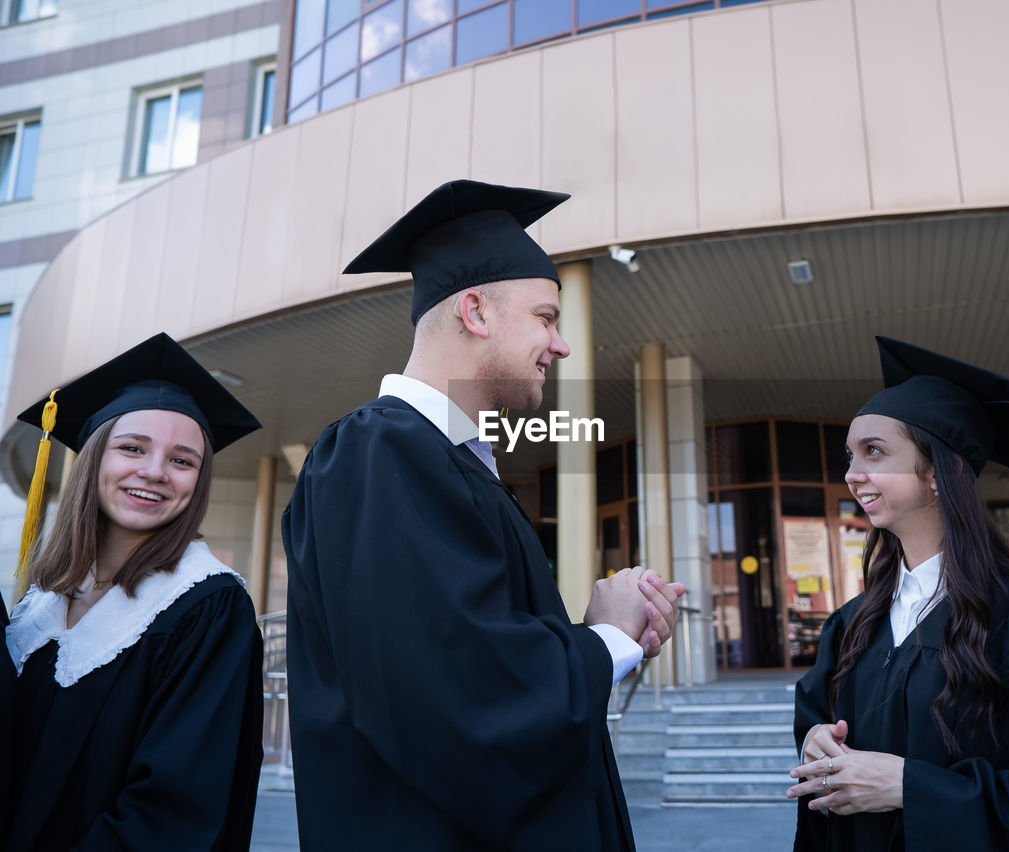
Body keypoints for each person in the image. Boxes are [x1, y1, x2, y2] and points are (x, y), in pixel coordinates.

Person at [283, 179, 684, 851]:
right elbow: (457, 699)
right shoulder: (381, 450)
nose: (559, 346)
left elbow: (464, 654)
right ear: (475, 312)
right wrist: (605, 641)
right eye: (547, 317)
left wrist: (597, 636)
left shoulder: (445, 461)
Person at [788, 337, 1009, 851]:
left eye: (874, 452)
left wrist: (913, 789)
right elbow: (817, 721)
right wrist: (814, 740)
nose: (852, 475)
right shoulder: (850, 625)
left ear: (940, 471)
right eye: (850, 455)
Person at [3, 332, 265, 850]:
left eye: (182, 460)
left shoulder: (206, 606)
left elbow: (174, 810)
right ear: (93, 458)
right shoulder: (40, 604)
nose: (154, 472)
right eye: (132, 447)